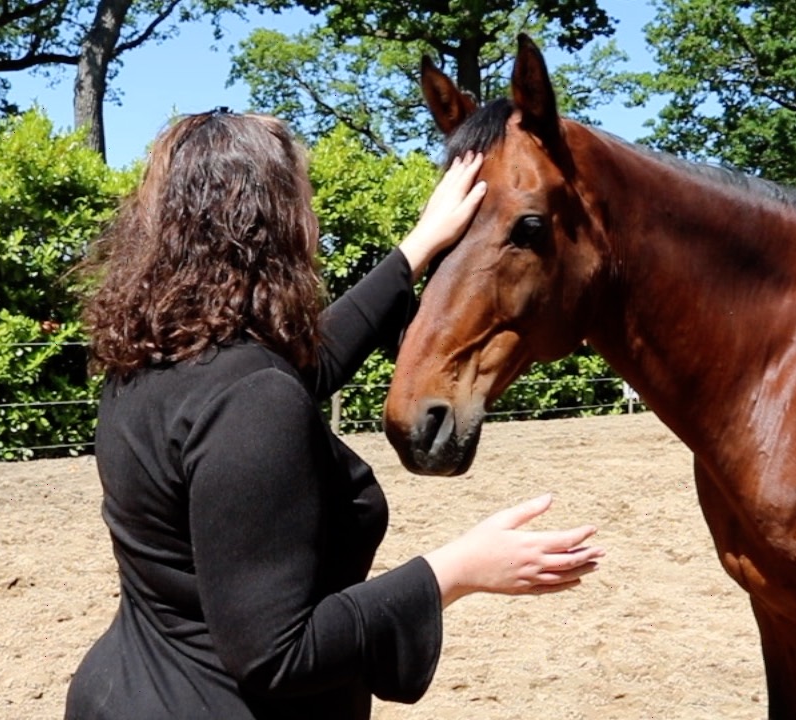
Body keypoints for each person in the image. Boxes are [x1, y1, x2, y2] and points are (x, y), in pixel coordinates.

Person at [65, 109, 604, 720]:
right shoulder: (251, 400)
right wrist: (455, 571)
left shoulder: (150, 359)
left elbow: (296, 373)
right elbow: (278, 655)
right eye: (303, 199)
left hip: (125, 691)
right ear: (272, 226)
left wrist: (418, 246)